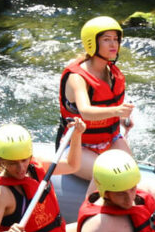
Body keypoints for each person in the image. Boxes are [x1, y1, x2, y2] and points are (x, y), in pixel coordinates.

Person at [58, 15, 135, 183]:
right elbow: (85, 112)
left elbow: (110, 106)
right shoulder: (77, 77)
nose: (113, 44)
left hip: (110, 138)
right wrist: (117, 110)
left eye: (116, 39)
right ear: (92, 42)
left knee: (132, 176)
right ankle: (91, 208)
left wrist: (122, 119)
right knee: (109, 177)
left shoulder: (112, 73)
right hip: (78, 145)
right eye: (107, 39)